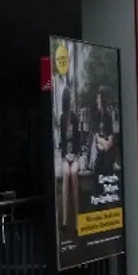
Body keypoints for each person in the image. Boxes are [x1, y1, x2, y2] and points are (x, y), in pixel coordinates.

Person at [58, 84, 81, 229]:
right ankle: (65, 219)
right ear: (67, 101)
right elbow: (61, 141)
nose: (72, 101)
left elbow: (78, 140)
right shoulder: (61, 118)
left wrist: (75, 155)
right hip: (66, 156)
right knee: (66, 173)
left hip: (76, 156)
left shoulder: (75, 117)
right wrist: (66, 156)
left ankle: (78, 218)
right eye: (70, 99)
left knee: (73, 174)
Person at [92, 86, 117, 175]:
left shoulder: (108, 116)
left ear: (103, 100)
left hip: (107, 150)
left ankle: (106, 184)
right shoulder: (96, 116)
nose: (97, 101)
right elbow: (96, 137)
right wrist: (102, 143)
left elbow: (110, 138)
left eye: (98, 98)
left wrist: (106, 145)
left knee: (106, 159)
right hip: (99, 148)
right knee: (100, 159)